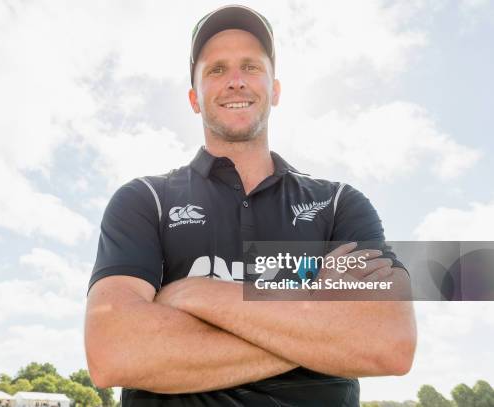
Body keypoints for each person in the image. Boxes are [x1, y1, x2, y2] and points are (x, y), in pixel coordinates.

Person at [85, 5, 416, 406]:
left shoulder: (338, 203)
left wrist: (195, 294)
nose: (236, 82)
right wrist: (317, 316)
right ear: (194, 98)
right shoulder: (145, 199)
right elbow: (113, 353)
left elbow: (389, 341)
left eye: (251, 67)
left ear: (275, 90)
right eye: (216, 70)